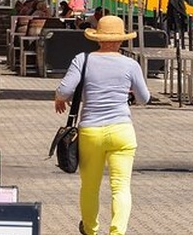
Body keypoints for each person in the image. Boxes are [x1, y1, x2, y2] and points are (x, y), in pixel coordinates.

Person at [55, 16, 150, 235]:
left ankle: (90, 229)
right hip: (122, 131)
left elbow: (64, 90)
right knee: (120, 187)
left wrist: (59, 98)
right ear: (121, 40)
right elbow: (144, 98)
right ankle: (117, 232)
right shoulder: (130, 64)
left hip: (91, 131)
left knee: (90, 187)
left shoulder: (83, 59)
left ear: (97, 38)